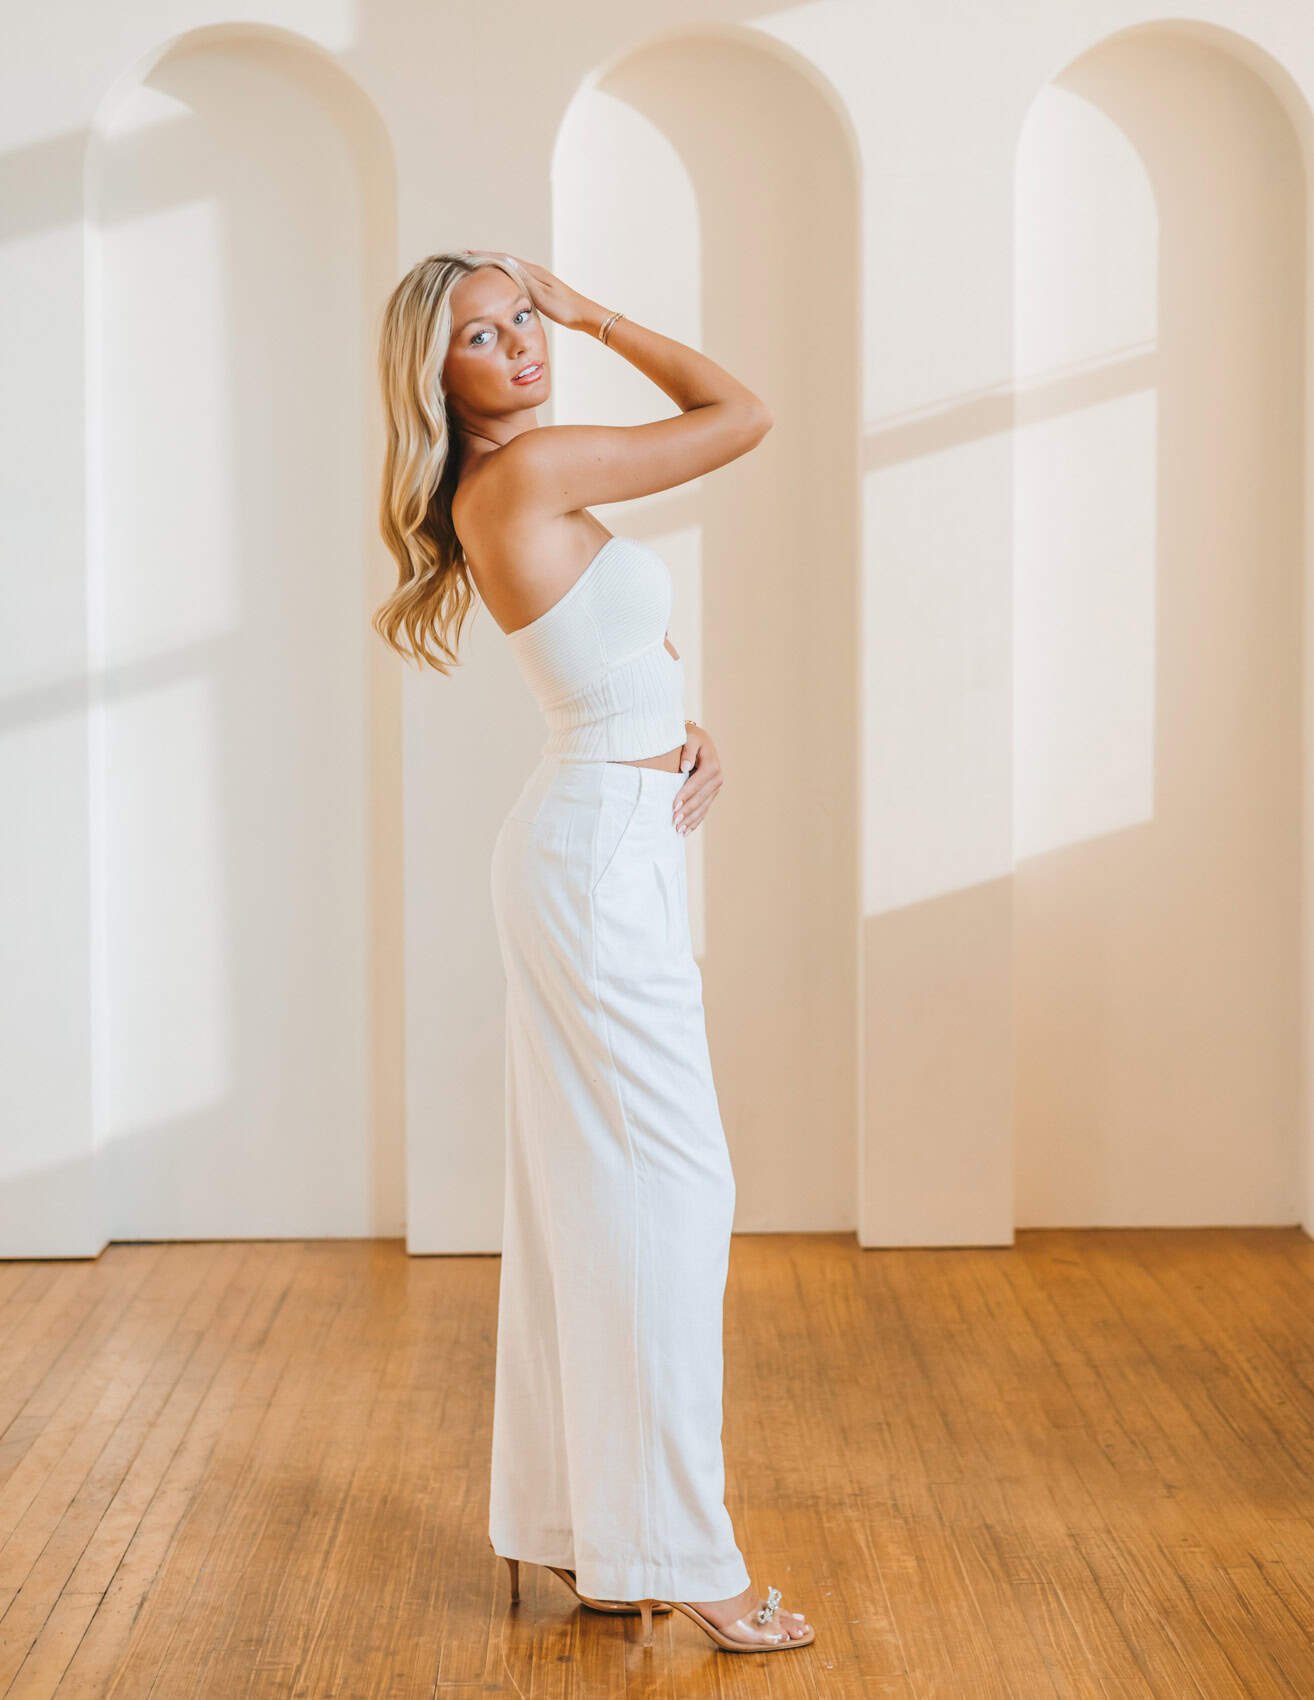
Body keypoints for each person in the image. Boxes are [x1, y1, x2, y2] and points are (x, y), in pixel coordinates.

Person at [372, 250, 815, 1655]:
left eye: (524, 320)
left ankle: (585, 1535)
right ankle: (686, 1553)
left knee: (592, 1191)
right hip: (591, 856)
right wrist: (597, 311)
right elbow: (741, 413)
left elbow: (607, 652)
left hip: (598, 829)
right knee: (670, 1199)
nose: (521, 347)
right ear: (433, 377)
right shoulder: (534, 467)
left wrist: (671, 719)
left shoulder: (510, 481)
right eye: (486, 337)